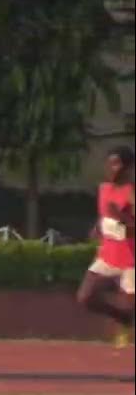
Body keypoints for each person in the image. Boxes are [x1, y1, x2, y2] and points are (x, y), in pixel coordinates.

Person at [77, 146, 135, 344]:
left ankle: (126, 324)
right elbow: (103, 214)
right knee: (85, 297)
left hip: (130, 260)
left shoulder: (131, 192)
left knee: (128, 302)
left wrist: (122, 217)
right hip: (107, 255)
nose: (111, 168)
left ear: (128, 168)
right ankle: (125, 319)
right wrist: (97, 227)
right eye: (109, 163)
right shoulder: (104, 189)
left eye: (116, 163)